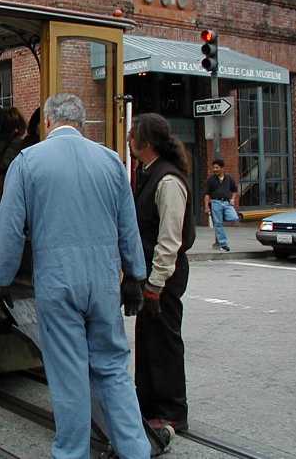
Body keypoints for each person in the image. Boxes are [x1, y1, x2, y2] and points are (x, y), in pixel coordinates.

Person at [0, 93, 151, 459]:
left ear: (47, 122)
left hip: (58, 283)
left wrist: (0, 281)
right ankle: (135, 449)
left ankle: (72, 452)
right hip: (105, 282)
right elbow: (129, 227)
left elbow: (10, 229)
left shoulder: (28, 161)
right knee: (113, 368)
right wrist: (135, 278)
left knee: (69, 374)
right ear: (83, 123)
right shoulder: (111, 162)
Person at [128, 113, 195, 434]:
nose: (128, 140)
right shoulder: (149, 173)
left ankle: (172, 412)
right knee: (149, 340)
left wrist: (155, 283)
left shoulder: (168, 181)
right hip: (153, 275)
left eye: (132, 136)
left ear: (147, 143)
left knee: (164, 341)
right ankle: (151, 405)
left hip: (164, 276)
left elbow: (170, 239)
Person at [204, 158, 239, 252]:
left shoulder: (229, 178)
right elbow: (207, 194)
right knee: (218, 224)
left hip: (227, 203)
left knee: (234, 217)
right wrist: (206, 207)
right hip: (215, 203)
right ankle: (223, 244)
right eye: (214, 168)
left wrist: (233, 199)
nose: (214, 169)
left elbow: (235, 190)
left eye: (217, 167)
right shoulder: (211, 180)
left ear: (222, 168)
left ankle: (219, 217)